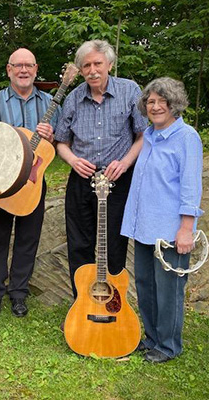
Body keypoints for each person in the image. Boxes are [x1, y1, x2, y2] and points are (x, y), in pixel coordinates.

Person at [55, 40, 148, 300]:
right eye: (86, 65)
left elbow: (144, 136)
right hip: (82, 179)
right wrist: (73, 160)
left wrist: (125, 162)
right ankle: (82, 304)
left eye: (98, 63)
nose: (93, 70)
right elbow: (60, 142)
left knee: (114, 244)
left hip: (117, 179)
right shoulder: (74, 98)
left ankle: (113, 303)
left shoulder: (130, 91)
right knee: (79, 244)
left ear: (110, 64)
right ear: (81, 70)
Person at [121, 77, 203, 363]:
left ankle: (168, 346)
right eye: (150, 101)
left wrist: (185, 229)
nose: (155, 106)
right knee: (145, 285)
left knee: (169, 291)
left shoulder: (186, 137)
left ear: (174, 104)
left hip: (170, 230)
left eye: (161, 101)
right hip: (144, 226)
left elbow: (191, 186)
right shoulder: (149, 135)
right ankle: (152, 338)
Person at [0, 48, 60, 318]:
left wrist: (52, 136)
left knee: (28, 238)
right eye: (18, 66)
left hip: (35, 181)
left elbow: (59, 145)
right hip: (0, 182)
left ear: (36, 69)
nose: (23, 70)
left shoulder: (51, 103)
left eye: (28, 65)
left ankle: (18, 293)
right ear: (9, 69)